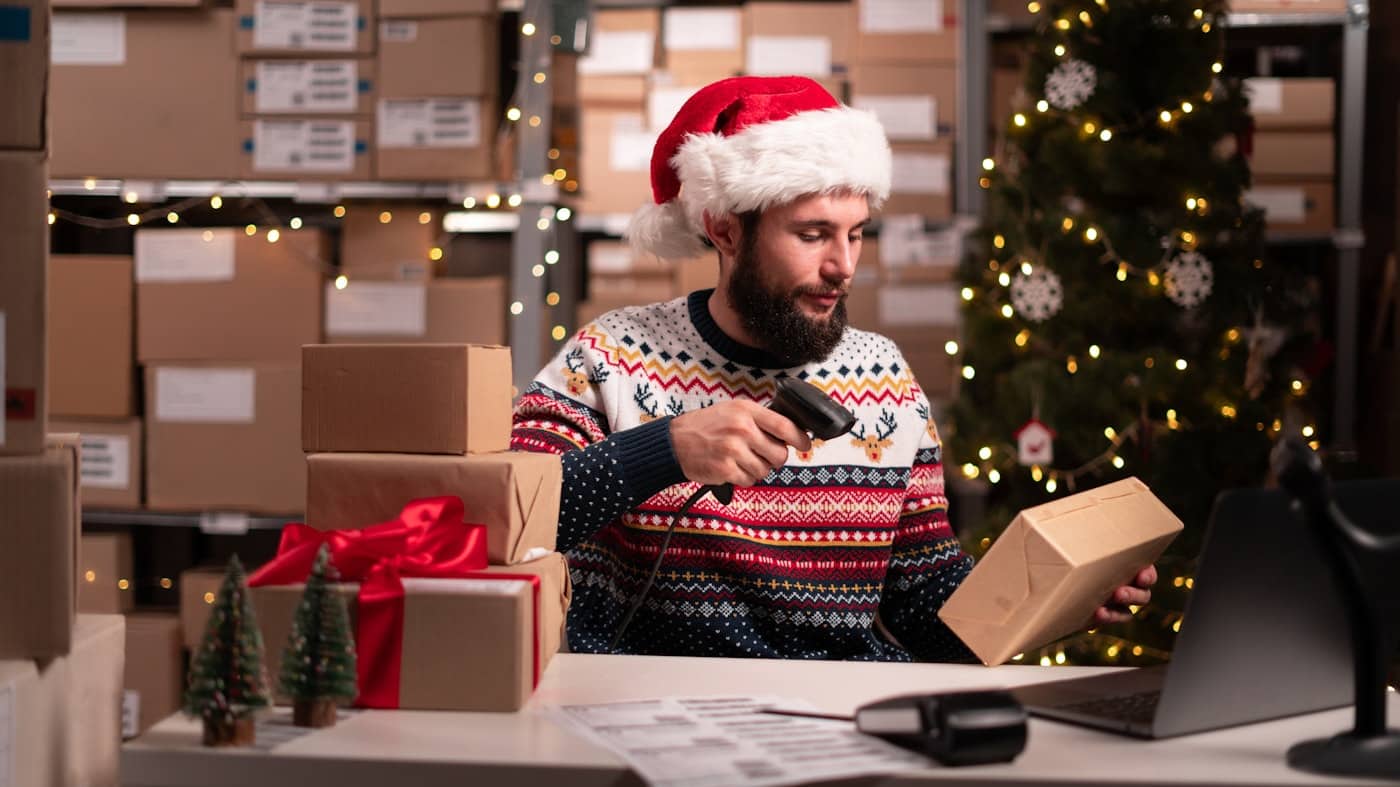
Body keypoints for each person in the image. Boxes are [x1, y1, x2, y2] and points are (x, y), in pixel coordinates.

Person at [510, 76, 1155, 661]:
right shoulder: (611, 354)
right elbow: (503, 519)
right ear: (725, 228)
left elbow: (923, 593)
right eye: (813, 234)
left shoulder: (884, 372)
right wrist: (666, 449)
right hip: (654, 711)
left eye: (856, 234)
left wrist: (1051, 603)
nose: (843, 266)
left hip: (846, 712)